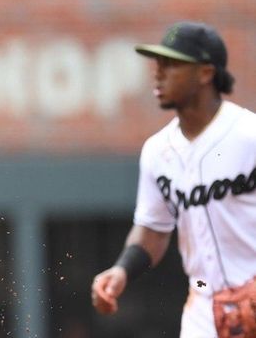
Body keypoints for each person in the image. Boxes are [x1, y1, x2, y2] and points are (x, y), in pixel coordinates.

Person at [90, 21, 256, 337]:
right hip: (204, 306)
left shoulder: (249, 134)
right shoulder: (157, 151)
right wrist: (122, 270)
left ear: (206, 73)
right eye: (158, 63)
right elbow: (153, 229)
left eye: (172, 64)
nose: (158, 72)